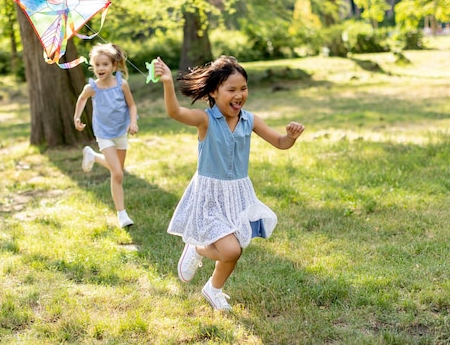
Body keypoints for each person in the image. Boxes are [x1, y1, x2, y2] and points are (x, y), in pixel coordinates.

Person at [153, 55, 305, 311]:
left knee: (235, 249)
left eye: (243, 88)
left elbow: (280, 143)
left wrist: (290, 136)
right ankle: (198, 249)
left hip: (238, 194)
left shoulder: (251, 120)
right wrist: (168, 82)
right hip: (210, 195)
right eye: (231, 89)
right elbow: (174, 112)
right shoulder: (206, 120)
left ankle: (213, 289)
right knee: (231, 251)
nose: (239, 94)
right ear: (214, 91)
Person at [74, 43, 139, 228]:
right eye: (97, 65)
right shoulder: (92, 87)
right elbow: (82, 98)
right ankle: (122, 215)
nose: (100, 68)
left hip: (120, 132)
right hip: (103, 133)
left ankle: (93, 156)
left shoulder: (122, 84)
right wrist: (77, 117)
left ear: (114, 66)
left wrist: (133, 122)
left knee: (117, 172)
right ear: (93, 67)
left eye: (105, 64)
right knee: (117, 172)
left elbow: (132, 105)